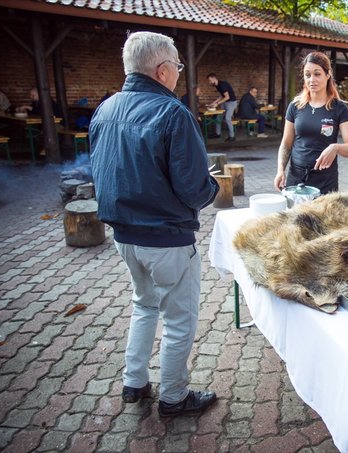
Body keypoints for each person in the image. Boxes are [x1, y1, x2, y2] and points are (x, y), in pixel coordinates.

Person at [89, 31, 219, 418]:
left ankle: (134, 381)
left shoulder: (106, 108)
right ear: (163, 71)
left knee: (144, 305)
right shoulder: (173, 113)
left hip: (123, 235)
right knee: (179, 320)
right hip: (167, 238)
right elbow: (195, 190)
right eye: (178, 67)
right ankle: (174, 397)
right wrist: (210, 184)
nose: (179, 73)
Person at [273, 51, 348, 195]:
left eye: (317, 74)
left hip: (325, 181)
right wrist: (280, 170)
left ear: (328, 74)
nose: (312, 79)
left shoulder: (339, 108)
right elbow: (286, 144)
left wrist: (335, 147)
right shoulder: (295, 106)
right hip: (296, 180)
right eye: (307, 75)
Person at [207, 73, 237, 142]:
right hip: (225, 102)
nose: (209, 82)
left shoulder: (222, 85)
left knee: (227, 118)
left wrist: (217, 104)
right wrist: (213, 103)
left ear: (214, 78)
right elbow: (221, 96)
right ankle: (218, 134)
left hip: (231, 103)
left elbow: (227, 97)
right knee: (218, 117)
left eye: (210, 80)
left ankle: (232, 136)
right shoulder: (217, 85)